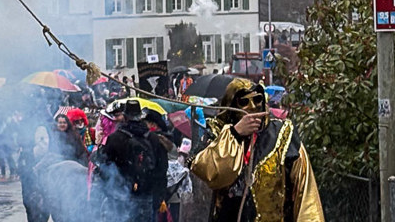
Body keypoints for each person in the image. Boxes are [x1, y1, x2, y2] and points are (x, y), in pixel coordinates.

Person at [189, 79, 324, 222]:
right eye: (244, 102)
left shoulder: (283, 135)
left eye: (257, 100)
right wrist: (235, 134)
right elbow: (212, 173)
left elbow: (306, 194)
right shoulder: (217, 134)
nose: (252, 107)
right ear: (232, 105)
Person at [98, 99, 169, 222]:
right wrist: (159, 195)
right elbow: (162, 168)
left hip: (120, 196)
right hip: (146, 194)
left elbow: (104, 166)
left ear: (125, 117)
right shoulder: (154, 138)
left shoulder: (115, 138)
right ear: (141, 117)